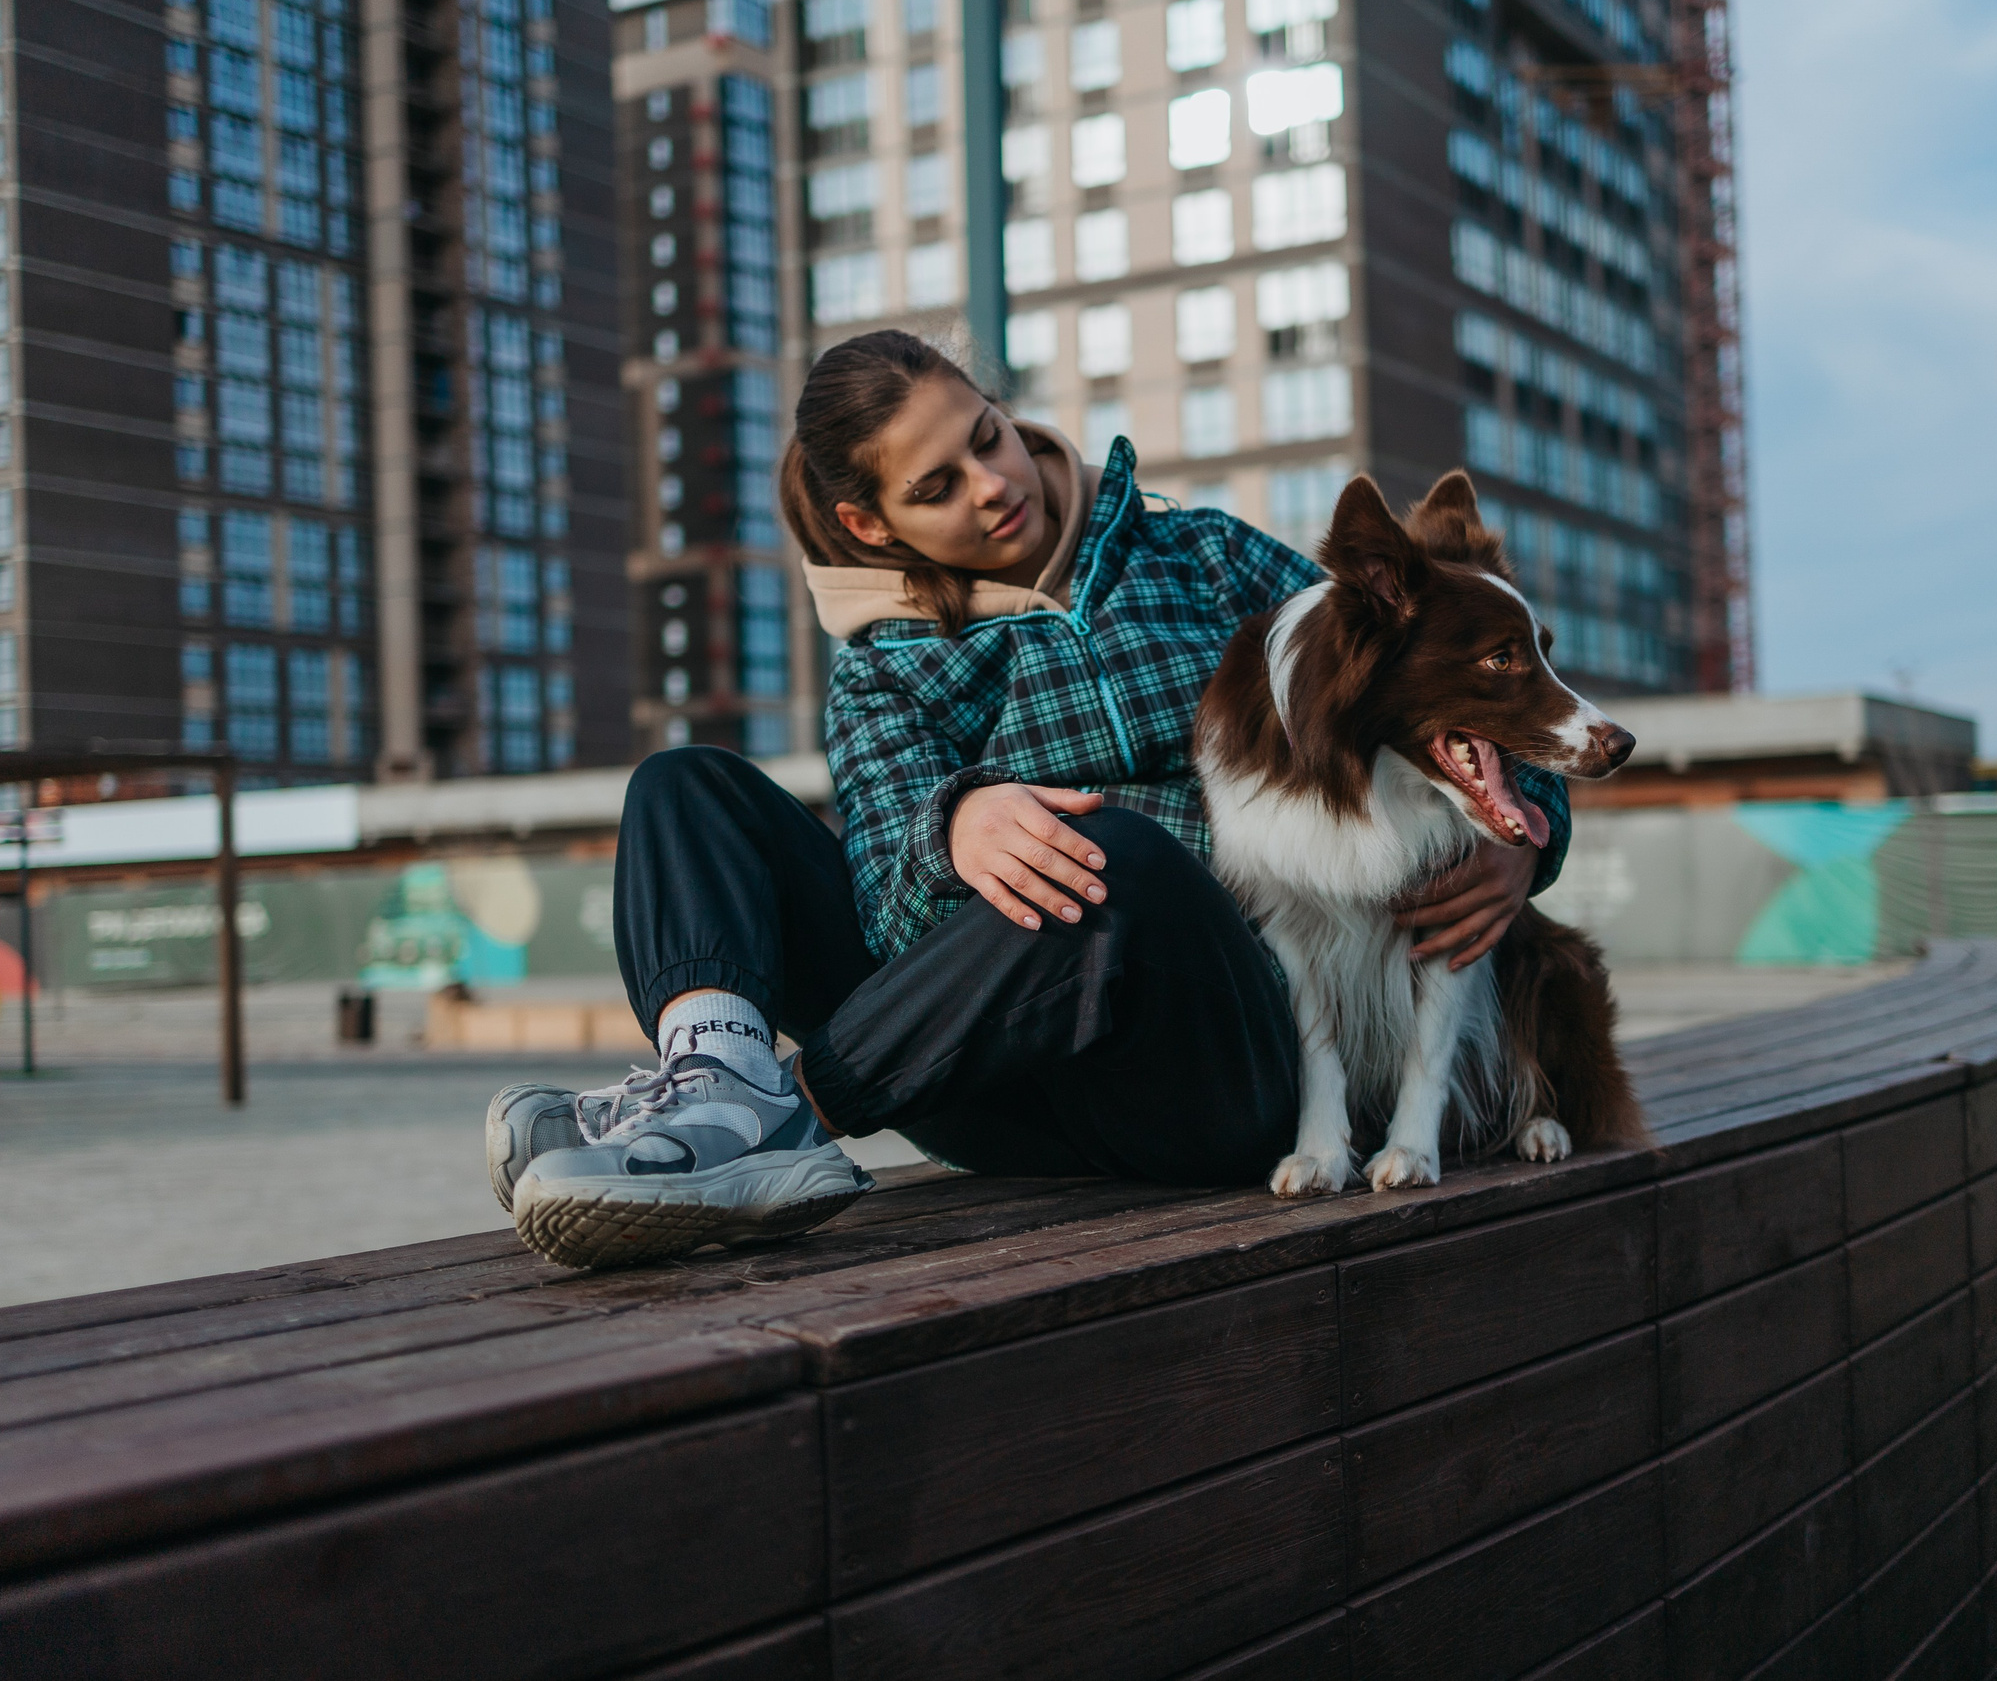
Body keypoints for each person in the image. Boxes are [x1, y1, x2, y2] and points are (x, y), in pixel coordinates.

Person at [488, 330, 1575, 1269]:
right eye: (936, 487)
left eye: (985, 436)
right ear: (871, 528)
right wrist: (953, 824)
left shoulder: (1197, 554)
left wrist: (1530, 831)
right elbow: (884, 916)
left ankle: (778, 1121)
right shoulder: (883, 670)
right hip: (996, 1081)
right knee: (686, 787)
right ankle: (715, 1081)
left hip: (1232, 1059)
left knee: (1125, 856)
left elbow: (1412, 670)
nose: (992, 483)